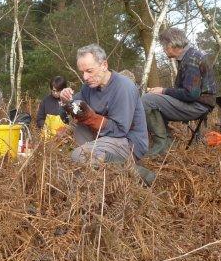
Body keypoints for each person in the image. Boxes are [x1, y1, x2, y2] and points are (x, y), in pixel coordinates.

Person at [58, 44, 154, 185]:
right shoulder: (88, 87)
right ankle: (96, 168)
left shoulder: (124, 87)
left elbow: (120, 130)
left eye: (89, 71)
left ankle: (132, 169)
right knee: (78, 129)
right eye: (82, 72)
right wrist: (65, 100)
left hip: (128, 142)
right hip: (105, 136)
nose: (85, 77)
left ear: (104, 65)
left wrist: (90, 117)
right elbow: (71, 112)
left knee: (78, 155)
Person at [142, 27, 217, 157]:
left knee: (147, 100)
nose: (164, 50)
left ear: (171, 45)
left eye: (164, 47)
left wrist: (164, 91)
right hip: (200, 103)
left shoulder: (191, 59)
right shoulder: (189, 56)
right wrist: (161, 92)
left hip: (198, 106)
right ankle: (168, 144)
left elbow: (191, 94)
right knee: (153, 98)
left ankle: (162, 147)